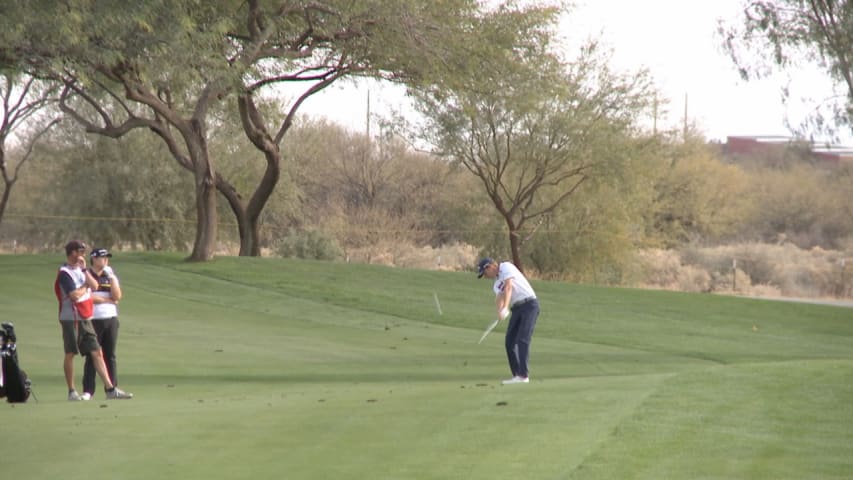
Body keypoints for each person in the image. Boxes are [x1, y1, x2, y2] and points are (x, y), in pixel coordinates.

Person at [54, 240, 132, 400]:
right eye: (80, 252)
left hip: (85, 317)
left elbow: (94, 285)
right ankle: (72, 391)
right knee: (70, 353)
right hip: (71, 318)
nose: (83, 255)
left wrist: (84, 271)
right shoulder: (64, 273)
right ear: (73, 253)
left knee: (97, 352)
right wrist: (85, 288)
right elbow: (74, 295)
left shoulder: (81, 270)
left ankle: (110, 389)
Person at [477, 257, 540, 385]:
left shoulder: (506, 267)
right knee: (509, 341)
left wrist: (506, 307)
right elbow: (499, 296)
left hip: (529, 305)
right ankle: (517, 375)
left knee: (523, 340)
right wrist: (500, 311)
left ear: (490, 266)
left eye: (485, 273)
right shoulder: (496, 283)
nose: (485, 276)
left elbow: (509, 287)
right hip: (517, 308)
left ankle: (523, 375)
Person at [82, 247, 123, 400]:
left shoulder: (110, 275)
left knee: (110, 355)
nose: (105, 261)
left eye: (107, 258)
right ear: (94, 258)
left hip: (111, 319)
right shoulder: (87, 274)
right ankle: (88, 391)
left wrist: (111, 277)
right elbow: (89, 297)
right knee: (92, 355)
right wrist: (107, 299)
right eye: (102, 258)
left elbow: (117, 296)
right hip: (93, 319)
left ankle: (112, 388)